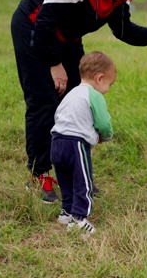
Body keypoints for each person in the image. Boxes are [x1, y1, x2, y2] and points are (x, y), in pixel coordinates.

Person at [11, 0, 147, 203]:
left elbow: (123, 29)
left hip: (66, 36)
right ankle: (39, 175)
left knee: (78, 101)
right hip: (34, 30)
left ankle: (71, 170)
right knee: (44, 102)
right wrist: (55, 65)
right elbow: (45, 20)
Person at [51, 51, 116, 235]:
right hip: (75, 144)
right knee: (83, 182)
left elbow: (58, 115)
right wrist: (107, 135)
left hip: (56, 141)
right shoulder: (94, 95)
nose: (108, 89)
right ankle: (79, 218)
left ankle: (66, 212)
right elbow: (103, 123)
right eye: (109, 84)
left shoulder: (72, 93)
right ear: (100, 78)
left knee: (65, 179)